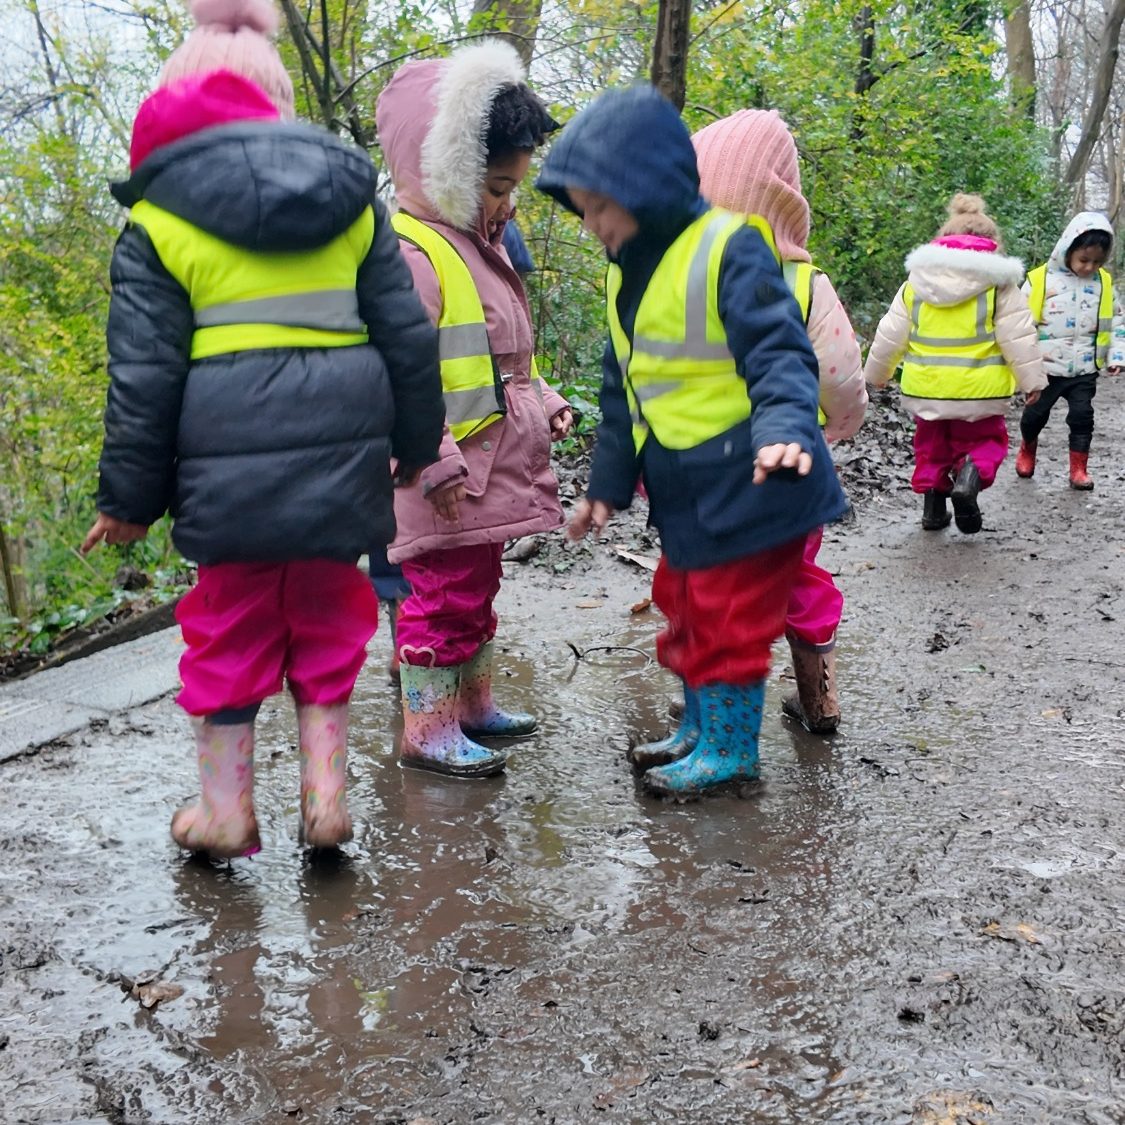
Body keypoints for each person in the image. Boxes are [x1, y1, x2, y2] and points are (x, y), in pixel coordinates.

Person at [80, 0, 445, 858]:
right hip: (345, 464)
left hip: (226, 477)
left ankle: (225, 810)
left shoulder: (158, 222)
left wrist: (128, 500)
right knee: (329, 618)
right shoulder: (352, 205)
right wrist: (416, 444)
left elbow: (144, 377)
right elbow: (406, 338)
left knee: (229, 630)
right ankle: (325, 800)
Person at [535, 85, 848, 799]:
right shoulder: (625, 277)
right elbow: (622, 393)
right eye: (583, 211)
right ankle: (703, 730)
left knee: (729, 618)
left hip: (757, 482)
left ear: (644, 188)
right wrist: (606, 489)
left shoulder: (728, 246)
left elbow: (779, 352)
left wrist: (783, 428)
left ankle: (731, 750)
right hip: (689, 491)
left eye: (601, 207)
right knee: (688, 606)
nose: (592, 225)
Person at [375, 41, 573, 779]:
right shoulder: (415, 255)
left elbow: (506, 359)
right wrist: (429, 457)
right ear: (446, 171)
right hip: (441, 475)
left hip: (485, 470)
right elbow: (396, 376)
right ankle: (427, 728)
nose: (508, 203)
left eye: (514, 186)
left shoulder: (480, 246)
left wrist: (545, 400)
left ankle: (472, 704)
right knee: (439, 596)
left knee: (476, 590)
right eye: (495, 186)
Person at [686, 108, 866, 736]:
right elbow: (840, 374)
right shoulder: (804, 285)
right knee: (797, 579)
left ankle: (716, 713)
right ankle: (820, 700)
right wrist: (840, 424)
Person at [863, 193, 1045, 533]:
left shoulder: (916, 283)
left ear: (942, 241)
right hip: (980, 391)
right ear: (991, 244)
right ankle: (968, 480)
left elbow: (890, 332)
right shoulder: (999, 286)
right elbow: (1018, 336)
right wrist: (1032, 381)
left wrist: (877, 374)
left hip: (926, 388)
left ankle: (933, 511)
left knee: (930, 447)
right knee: (984, 443)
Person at [1015, 212, 1123, 490]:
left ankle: (1079, 469)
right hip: (1045, 368)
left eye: (1097, 262)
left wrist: (1117, 356)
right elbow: (1019, 323)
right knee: (1035, 416)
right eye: (1084, 260)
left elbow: (1116, 322)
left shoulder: (1103, 284)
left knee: (1082, 416)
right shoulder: (1040, 280)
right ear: (1068, 250)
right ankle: (1028, 446)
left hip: (1084, 367)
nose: (1089, 267)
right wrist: (1022, 365)